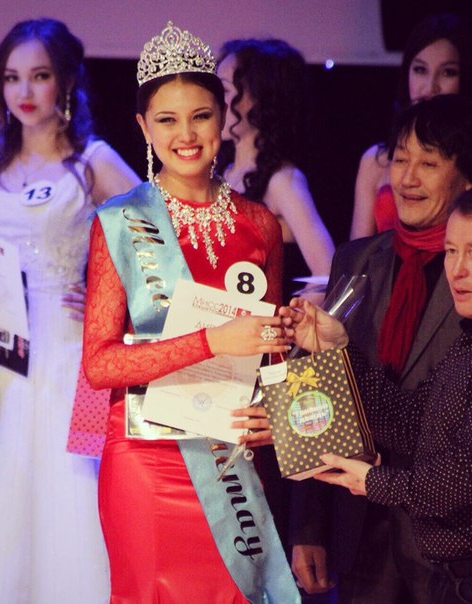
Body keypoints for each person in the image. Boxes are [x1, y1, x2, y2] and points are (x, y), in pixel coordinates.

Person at [82, 21, 299, 603]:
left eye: (200, 115)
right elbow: (100, 365)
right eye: (166, 120)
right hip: (145, 461)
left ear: (224, 117)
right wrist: (212, 341)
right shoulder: (119, 221)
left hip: (231, 460)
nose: (185, 135)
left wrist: (274, 414)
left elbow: (271, 355)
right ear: (142, 127)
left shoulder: (259, 224)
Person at [0, 19, 139, 604]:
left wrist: (110, 296)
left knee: (61, 481)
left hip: (64, 344)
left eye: (39, 76)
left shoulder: (92, 162)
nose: (23, 91)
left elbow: (161, 245)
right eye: (11, 78)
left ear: (67, 82)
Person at [290, 93, 472, 603]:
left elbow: (455, 468)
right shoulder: (356, 262)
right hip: (360, 527)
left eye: (429, 163)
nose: (408, 178)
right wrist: (309, 524)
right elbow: (404, 417)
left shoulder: (463, 294)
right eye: (399, 159)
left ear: (465, 178)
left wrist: (377, 481)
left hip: (450, 541)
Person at [217, 38, 334, 298]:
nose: (213, 100)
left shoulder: (282, 181)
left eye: (224, 90)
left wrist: (287, 317)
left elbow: (327, 274)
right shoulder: (222, 172)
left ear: (260, 98)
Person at [350, 12, 472, 240]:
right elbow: (357, 251)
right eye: (420, 70)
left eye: (448, 72)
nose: (430, 87)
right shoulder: (375, 160)